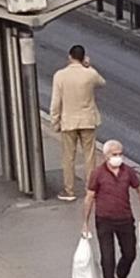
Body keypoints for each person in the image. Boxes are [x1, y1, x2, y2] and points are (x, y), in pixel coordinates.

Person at [81, 140, 140, 278]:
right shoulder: (97, 173)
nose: (118, 157)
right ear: (106, 156)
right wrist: (85, 222)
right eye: (114, 154)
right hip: (104, 220)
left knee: (130, 253)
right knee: (107, 258)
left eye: (120, 153)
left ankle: (122, 274)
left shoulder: (128, 172)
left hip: (125, 219)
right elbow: (89, 197)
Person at [50, 44, 105, 202]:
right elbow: (102, 82)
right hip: (88, 120)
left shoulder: (60, 75)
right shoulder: (90, 74)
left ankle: (69, 190)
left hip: (68, 121)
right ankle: (91, 189)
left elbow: (56, 102)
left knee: (68, 157)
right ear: (83, 57)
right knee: (89, 157)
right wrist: (88, 66)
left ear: (69, 57)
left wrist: (55, 121)